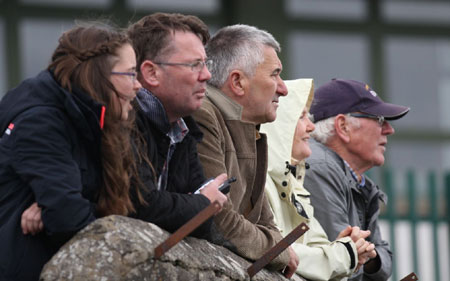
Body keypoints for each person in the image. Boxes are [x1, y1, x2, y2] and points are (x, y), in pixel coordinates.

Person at [0, 23, 143, 281]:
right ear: (100, 76)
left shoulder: (87, 117)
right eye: (131, 74)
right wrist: (62, 206)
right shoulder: (40, 121)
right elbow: (69, 218)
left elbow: (74, 206)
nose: (138, 86)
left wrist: (61, 205)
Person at [192, 24, 299, 278]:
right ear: (238, 82)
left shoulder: (250, 127)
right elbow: (219, 220)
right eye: (275, 75)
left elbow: (265, 222)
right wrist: (280, 250)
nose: (283, 89)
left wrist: (275, 245)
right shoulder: (202, 115)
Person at [260, 78, 378, 280]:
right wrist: (346, 253)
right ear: (282, 125)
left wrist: (344, 251)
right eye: (302, 117)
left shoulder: (293, 184)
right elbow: (280, 251)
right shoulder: (261, 183)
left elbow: (318, 249)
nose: (311, 127)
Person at [127, 13, 227, 239]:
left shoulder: (182, 127)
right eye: (194, 65)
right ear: (151, 72)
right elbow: (141, 205)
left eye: (206, 63)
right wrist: (202, 204)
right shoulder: (123, 119)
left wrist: (199, 205)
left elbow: (202, 223)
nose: (207, 75)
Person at [304, 78, 410, 280]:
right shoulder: (319, 167)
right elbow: (341, 263)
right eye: (379, 119)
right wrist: (364, 256)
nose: (389, 129)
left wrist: (367, 257)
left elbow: (382, 261)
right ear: (343, 126)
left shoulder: (362, 183)